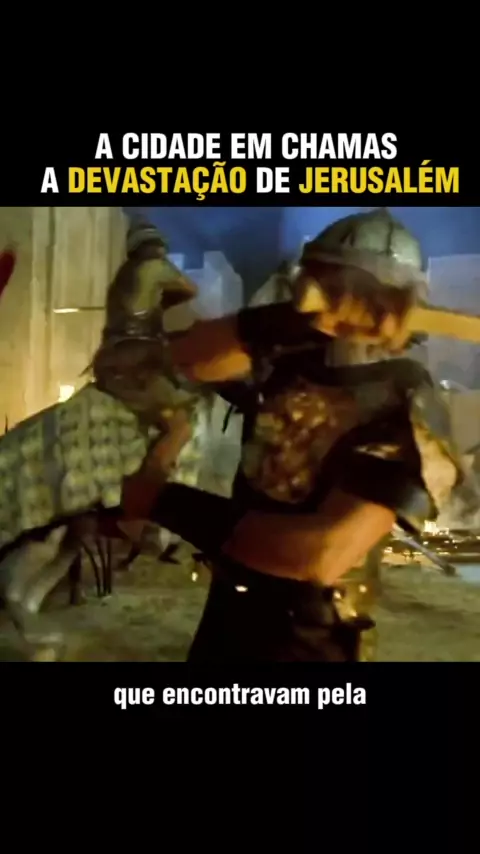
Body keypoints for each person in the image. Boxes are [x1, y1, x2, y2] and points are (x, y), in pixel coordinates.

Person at [123, 209, 471, 662]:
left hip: (308, 637)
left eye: (339, 283)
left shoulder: (405, 402)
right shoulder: (292, 362)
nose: (312, 292)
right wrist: (289, 319)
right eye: (317, 278)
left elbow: (319, 555)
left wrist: (164, 502)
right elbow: (180, 361)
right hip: (230, 610)